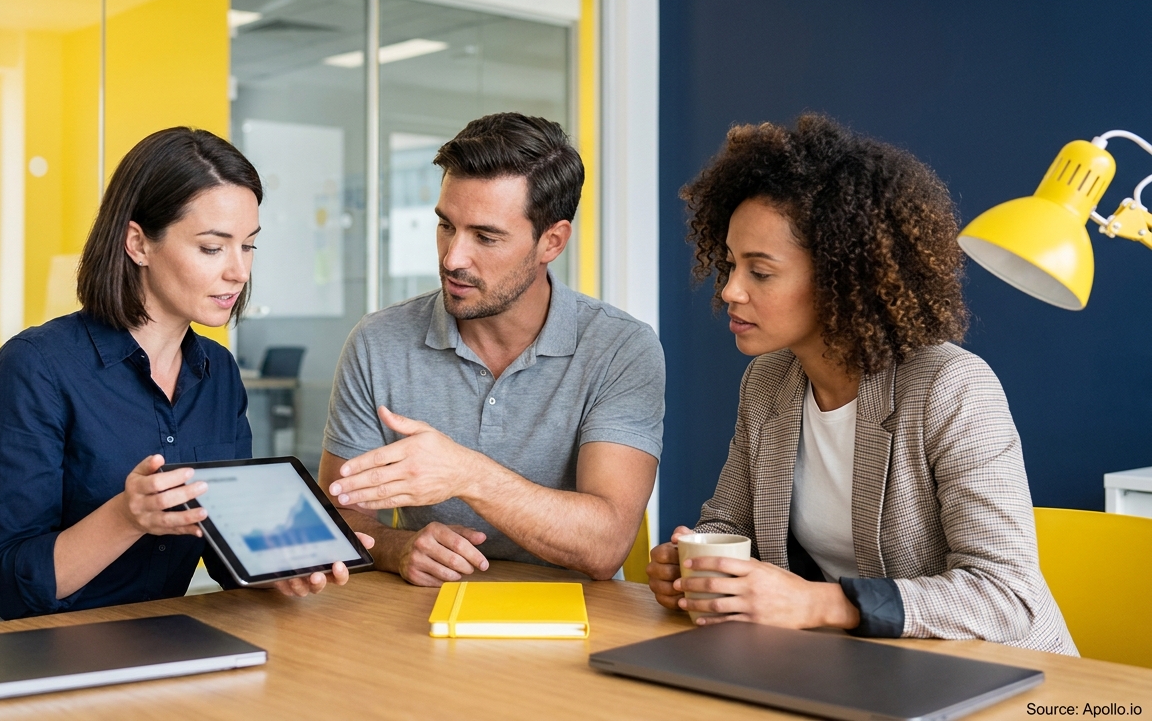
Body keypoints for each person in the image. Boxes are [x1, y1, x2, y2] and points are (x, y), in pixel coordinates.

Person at [646, 115, 1076, 654]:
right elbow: (731, 524)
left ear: (842, 276)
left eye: (760, 271)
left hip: (1004, 679)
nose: (730, 290)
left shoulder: (952, 388)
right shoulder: (767, 383)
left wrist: (819, 604)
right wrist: (694, 568)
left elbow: (1007, 598)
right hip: (862, 671)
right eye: (731, 264)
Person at [0, 127, 372, 626]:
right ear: (138, 243)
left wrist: (278, 567)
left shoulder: (218, 374)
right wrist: (127, 517)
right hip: (17, 633)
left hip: (146, 631)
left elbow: (220, 548)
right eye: (213, 248)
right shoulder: (35, 368)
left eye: (249, 247)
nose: (239, 271)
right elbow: (6, 584)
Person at [319, 112, 664, 586]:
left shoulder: (620, 348)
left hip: (575, 629)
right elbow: (339, 517)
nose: (452, 258)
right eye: (446, 226)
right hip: (426, 619)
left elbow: (606, 545)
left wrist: (467, 475)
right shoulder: (379, 342)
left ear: (552, 241)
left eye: (485, 237)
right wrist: (399, 548)